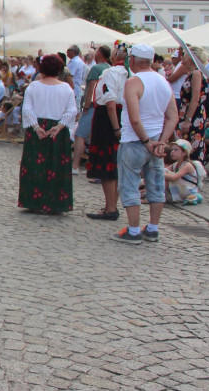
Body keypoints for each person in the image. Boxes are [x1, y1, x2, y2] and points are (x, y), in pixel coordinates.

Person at [111, 43, 178, 244]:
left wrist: (147, 141)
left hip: (134, 140)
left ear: (132, 60)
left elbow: (135, 118)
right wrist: (161, 142)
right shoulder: (163, 81)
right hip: (157, 141)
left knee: (129, 185)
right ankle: (153, 228)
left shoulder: (134, 82)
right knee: (156, 184)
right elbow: (173, 116)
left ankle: (132, 231)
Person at [18, 54, 78, 214]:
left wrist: (36, 127)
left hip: (38, 127)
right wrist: (59, 126)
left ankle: (33, 200)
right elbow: (72, 110)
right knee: (56, 164)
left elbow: (27, 109)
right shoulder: (66, 88)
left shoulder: (33, 86)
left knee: (35, 165)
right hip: (57, 128)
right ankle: (55, 201)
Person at [86, 46, 129, 220]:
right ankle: (111, 205)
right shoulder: (128, 74)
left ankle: (110, 207)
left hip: (108, 119)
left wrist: (116, 128)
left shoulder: (112, 73)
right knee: (115, 163)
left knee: (107, 164)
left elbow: (110, 103)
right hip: (120, 116)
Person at [74, 46, 110, 175]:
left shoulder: (96, 68)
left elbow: (92, 87)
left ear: (99, 54)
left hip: (93, 106)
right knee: (94, 137)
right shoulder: (109, 68)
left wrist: (86, 105)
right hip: (104, 106)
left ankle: (75, 165)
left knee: (80, 135)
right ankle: (92, 165)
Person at [174, 46, 209, 160]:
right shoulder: (191, 73)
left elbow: (195, 98)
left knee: (189, 146)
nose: (182, 56)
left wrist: (188, 120)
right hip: (188, 112)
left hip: (193, 114)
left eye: (185, 54)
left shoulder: (196, 73)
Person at [164, 139, 203, 205]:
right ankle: (143, 191)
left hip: (188, 190)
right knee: (161, 175)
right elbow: (164, 170)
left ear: (184, 153)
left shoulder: (187, 165)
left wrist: (159, 173)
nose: (172, 152)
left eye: (176, 150)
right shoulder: (175, 164)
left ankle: (148, 196)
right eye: (172, 150)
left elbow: (174, 177)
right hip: (180, 188)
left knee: (164, 181)